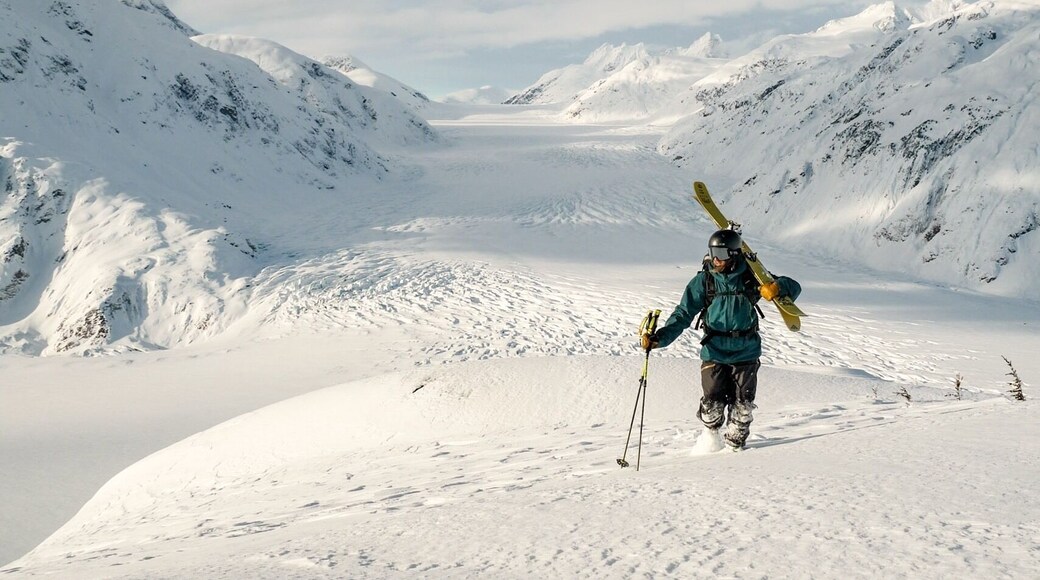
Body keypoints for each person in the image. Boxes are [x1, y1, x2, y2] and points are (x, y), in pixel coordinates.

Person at [641, 229, 801, 449]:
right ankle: (709, 443)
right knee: (712, 408)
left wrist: (777, 287)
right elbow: (683, 314)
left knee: (743, 410)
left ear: (734, 254)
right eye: (714, 252)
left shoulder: (750, 277)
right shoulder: (703, 281)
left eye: (723, 254)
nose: (717, 259)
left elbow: (794, 287)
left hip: (746, 351)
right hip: (714, 351)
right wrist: (660, 339)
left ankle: (735, 453)